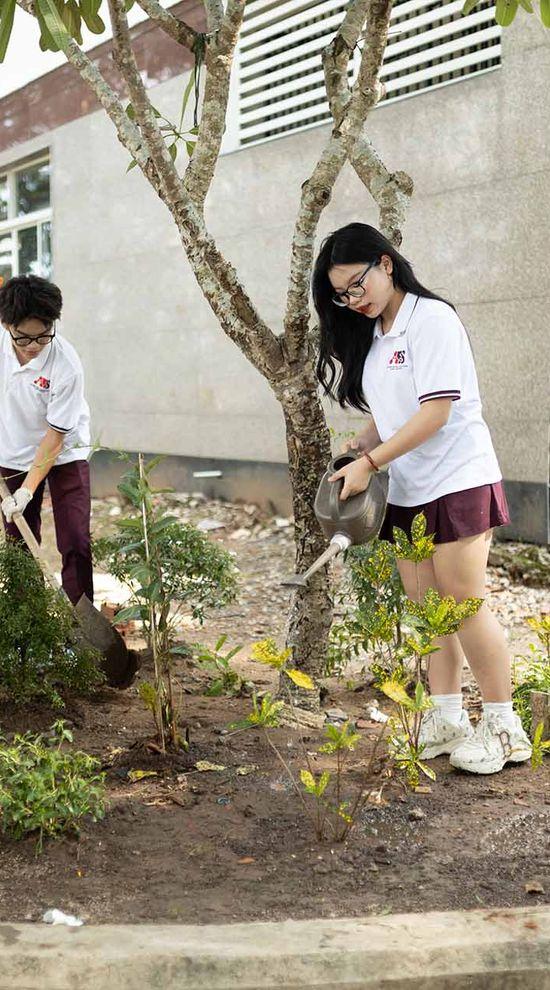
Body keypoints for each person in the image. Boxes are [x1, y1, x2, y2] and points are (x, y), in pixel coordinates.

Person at [312, 222, 532, 775]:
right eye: (340, 294)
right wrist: (362, 442)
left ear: (387, 264)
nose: (351, 301)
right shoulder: (379, 331)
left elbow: (436, 413)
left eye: (356, 285)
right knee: (427, 608)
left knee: (462, 603)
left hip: (457, 477)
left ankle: (506, 729)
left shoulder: (431, 320)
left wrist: (369, 462)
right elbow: (395, 414)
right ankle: (447, 716)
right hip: (409, 486)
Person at [0, 274, 93, 606]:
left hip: (65, 452)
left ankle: (80, 625)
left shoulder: (66, 364)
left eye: (43, 336)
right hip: (12, 451)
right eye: (23, 338)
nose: (34, 346)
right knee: (19, 543)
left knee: (76, 540)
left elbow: (54, 438)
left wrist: (27, 490)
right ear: (6, 325)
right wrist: (19, 486)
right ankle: (30, 621)